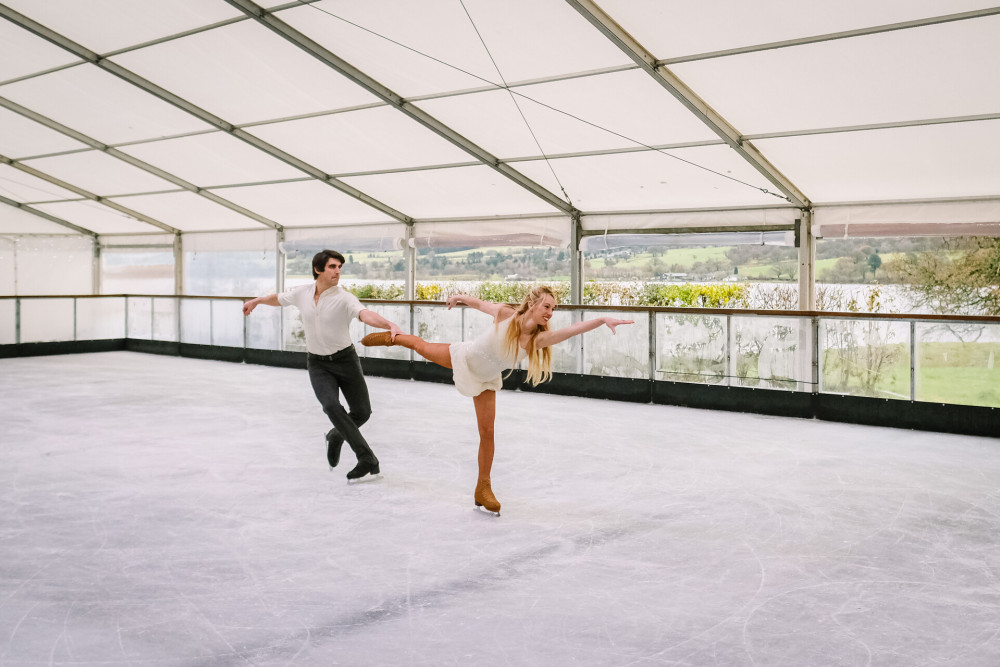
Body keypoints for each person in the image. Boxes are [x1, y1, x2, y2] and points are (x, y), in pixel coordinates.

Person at [361, 285, 633, 514]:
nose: (550, 313)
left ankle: (483, 487)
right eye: (547, 307)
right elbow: (481, 304)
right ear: (532, 304)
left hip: (486, 379)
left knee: (487, 433)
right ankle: (392, 338)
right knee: (420, 345)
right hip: (463, 357)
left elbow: (573, 330)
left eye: (553, 309)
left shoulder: (538, 340)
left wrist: (600, 321)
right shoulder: (506, 315)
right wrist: (460, 298)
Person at [243, 249, 401, 481]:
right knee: (331, 406)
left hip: (345, 360)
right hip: (318, 364)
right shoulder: (302, 293)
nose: (337, 271)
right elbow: (278, 298)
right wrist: (257, 300)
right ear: (318, 269)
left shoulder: (344, 298)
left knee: (362, 412)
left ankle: (336, 436)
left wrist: (389, 324)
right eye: (332, 267)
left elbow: (365, 314)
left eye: (339, 267)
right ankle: (367, 458)